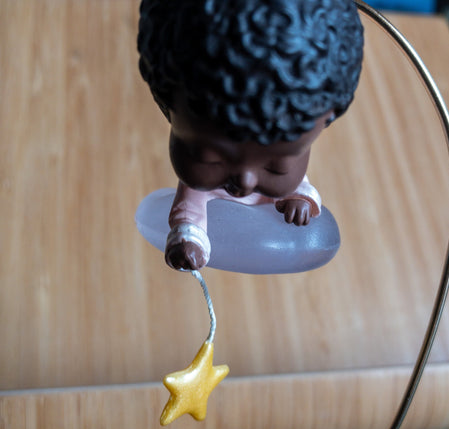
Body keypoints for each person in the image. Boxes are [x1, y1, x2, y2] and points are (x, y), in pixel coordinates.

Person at [137, 0, 364, 270]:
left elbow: (301, 189)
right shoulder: (197, 188)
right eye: (210, 159)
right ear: (167, 107)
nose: (245, 181)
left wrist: (301, 200)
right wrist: (187, 242)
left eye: (276, 166)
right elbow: (188, 215)